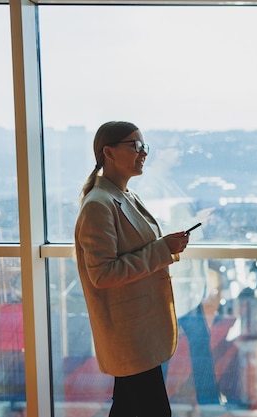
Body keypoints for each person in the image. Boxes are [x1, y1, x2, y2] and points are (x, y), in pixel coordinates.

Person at [74, 121, 191, 417]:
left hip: (139, 330)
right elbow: (102, 273)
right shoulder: (99, 205)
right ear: (108, 152)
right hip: (130, 334)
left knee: (130, 406)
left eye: (144, 146)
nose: (143, 153)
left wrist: (166, 246)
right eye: (135, 146)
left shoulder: (126, 196)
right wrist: (163, 249)